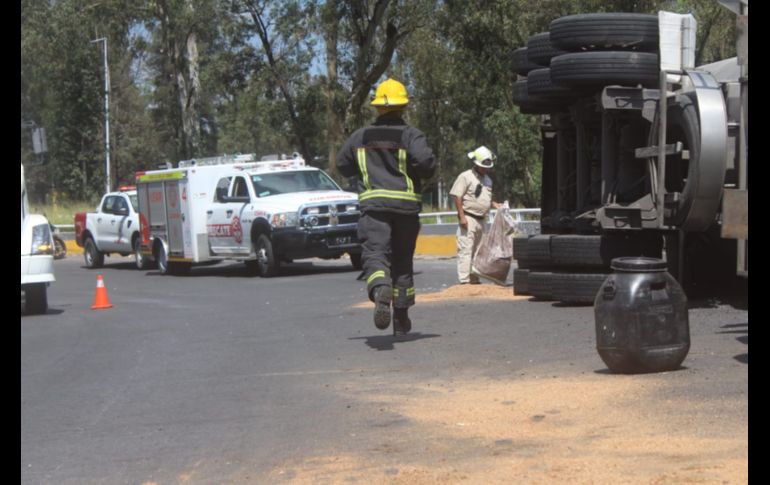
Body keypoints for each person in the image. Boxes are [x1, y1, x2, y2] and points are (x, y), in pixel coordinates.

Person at [337, 78, 436, 336]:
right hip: (406, 210)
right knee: (403, 261)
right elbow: (426, 163)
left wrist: (365, 172)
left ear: (378, 107)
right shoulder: (411, 135)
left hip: (375, 208)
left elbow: (342, 164)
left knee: (375, 254)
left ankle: (380, 286)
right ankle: (401, 318)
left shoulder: (360, 136)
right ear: (403, 107)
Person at [449, 145, 502, 284]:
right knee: (466, 249)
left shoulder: (488, 180)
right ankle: (465, 281)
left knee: (479, 252)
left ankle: (474, 279)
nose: (485, 169)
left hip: (482, 220)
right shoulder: (466, 176)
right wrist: (462, 217)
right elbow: (457, 196)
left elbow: (483, 198)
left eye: (487, 166)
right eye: (483, 166)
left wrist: (494, 204)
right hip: (469, 217)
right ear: (476, 164)